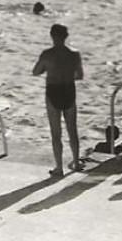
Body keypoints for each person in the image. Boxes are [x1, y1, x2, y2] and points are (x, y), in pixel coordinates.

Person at [33, 23, 86, 177]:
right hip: (69, 90)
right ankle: (76, 162)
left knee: (56, 133)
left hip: (53, 91)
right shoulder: (74, 54)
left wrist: (49, 70)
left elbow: (36, 71)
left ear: (52, 36)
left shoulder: (47, 54)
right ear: (66, 36)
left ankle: (59, 167)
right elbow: (80, 75)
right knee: (72, 130)